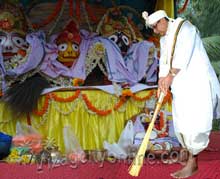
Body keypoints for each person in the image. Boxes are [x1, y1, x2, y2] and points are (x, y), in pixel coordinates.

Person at [142, 10, 220, 178]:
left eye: (156, 27)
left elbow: (184, 54)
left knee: (194, 121)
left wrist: (170, 75)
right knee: (181, 119)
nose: (155, 31)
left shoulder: (185, 28)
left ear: (163, 20)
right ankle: (186, 153)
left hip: (196, 83)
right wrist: (161, 82)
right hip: (180, 85)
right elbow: (164, 61)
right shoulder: (164, 39)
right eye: (153, 29)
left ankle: (193, 162)